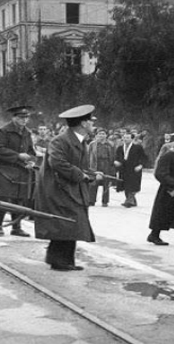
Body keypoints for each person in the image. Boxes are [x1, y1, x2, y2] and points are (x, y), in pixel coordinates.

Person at [35, 105, 102, 271]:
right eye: (91, 122)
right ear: (83, 124)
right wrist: (82, 176)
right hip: (59, 189)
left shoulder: (78, 140)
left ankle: (64, 260)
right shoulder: (60, 140)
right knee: (65, 224)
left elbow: (78, 165)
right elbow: (57, 163)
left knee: (70, 224)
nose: (93, 125)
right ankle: (60, 261)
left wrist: (92, 173)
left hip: (69, 188)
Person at [0, 106, 36, 237]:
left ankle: (16, 227)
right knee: (3, 199)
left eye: (26, 117)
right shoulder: (3, 131)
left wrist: (31, 160)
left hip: (20, 170)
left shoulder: (27, 132)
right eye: (21, 117)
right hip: (3, 170)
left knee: (19, 198)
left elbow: (31, 150)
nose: (24, 120)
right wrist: (17, 156)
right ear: (14, 118)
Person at [114, 132, 148, 207]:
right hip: (123, 169)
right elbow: (116, 157)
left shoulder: (137, 147)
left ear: (132, 139)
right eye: (124, 138)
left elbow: (144, 158)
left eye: (127, 138)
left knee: (132, 185)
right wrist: (116, 162)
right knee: (125, 185)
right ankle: (132, 201)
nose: (125, 139)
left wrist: (140, 165)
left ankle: (129, 201)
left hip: (134, 169)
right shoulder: (120, 148)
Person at [88, 129, 116, 207]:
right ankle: (91, 200)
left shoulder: (110, 144)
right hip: (95, 164)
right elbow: (88, 155)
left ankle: (105, 201)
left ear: (106, 135)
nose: (101, 135)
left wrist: (112, 167)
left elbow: (113, 156)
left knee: (106, 184)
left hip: (107, 164)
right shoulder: (92, 144)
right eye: (99, 134)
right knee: (93, 183)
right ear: (96, 135)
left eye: (103, 134)